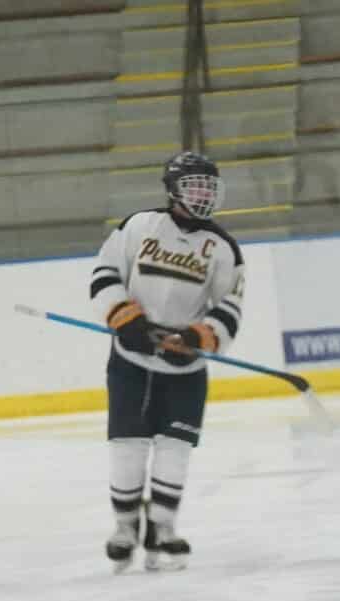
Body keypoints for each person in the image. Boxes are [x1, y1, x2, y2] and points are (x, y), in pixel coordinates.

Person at [88, 150, 245, 571]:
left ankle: (163, 526)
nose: (203, 195)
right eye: (194, 186)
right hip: (131, 361)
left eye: (208, 187)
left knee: (175, 448)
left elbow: (229, 307)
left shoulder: (223, 248)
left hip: (184, 370)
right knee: (127, 446)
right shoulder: (140, 226)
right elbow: (104, 274)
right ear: (173, 189)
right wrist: (126, 319)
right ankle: (125, 527)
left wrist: (198, 337)